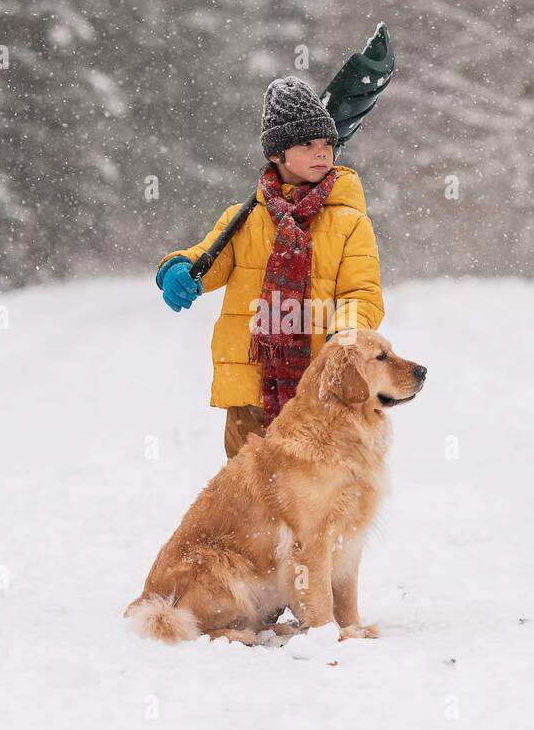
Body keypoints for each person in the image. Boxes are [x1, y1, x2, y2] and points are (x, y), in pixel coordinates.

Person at [154, 75, 385, 459]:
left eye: (327, 143)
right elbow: (209, 259)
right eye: (307, 144)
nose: (321, 152)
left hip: (322, 387)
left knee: (314, 503)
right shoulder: (243, 219)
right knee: (246, 498)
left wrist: (345, 335)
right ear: (277, 154)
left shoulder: (350, 221)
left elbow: (361, 294)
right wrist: (178, 268)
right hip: (250, 384)